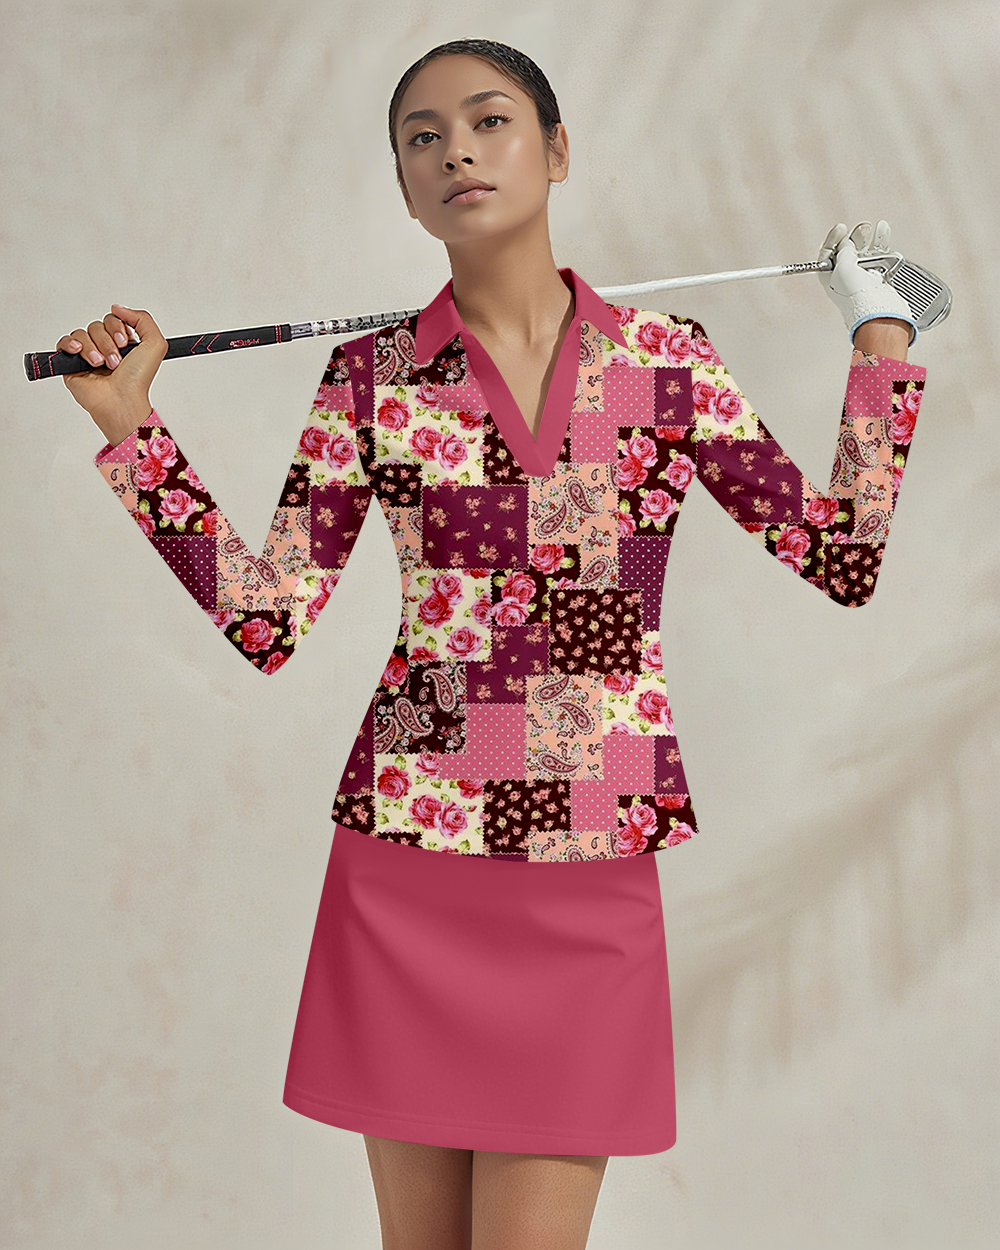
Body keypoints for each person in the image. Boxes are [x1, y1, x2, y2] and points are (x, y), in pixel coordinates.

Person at [57, 37, 925, 1250]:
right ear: (405, 190)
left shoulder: (665, 364)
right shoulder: (370, 379)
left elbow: (839, 556)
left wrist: (881, 341)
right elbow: (267, 616)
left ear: (557, 150)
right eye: (422, 138)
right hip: (409, 855)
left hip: (590, 854)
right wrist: (131, 428)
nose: (456, 151)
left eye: (489, 120)